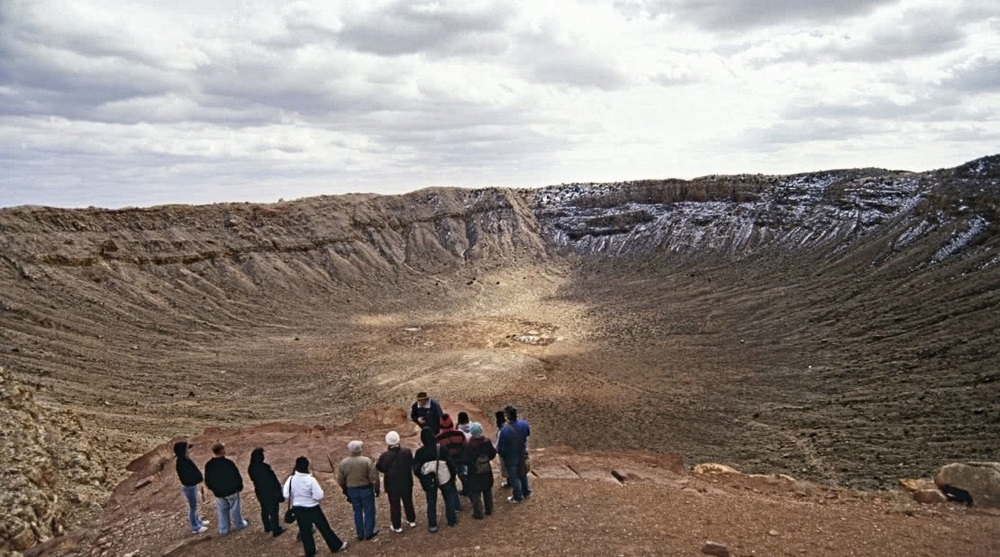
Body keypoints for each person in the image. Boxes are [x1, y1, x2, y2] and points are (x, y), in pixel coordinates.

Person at [284, 456, 348, 556]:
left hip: (298, 508)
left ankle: (310, 551)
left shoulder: (291, 479)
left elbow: (286, 494)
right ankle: (336, 546)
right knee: (324, 528)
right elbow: (319, 496)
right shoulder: (310, 480)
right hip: (312, 507)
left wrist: (296, 497)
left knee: (305, 532)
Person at [412, 426, 460, 532]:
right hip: (444, 477)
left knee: (431, 502)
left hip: (430, 481)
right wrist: (453, 476)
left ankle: (432, 525)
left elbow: (415, 469)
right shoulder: (441, 448)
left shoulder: (420, 453)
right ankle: (451, 520)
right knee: (448, 499)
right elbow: (450, 463)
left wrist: (423, 477)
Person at [336, 440, 380, 541]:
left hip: (352, 490)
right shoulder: (367, 461)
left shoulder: (344, 463)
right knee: (369, 510)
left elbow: (340, 479)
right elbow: (374, 477)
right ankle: (370, 531)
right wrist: (377, 488)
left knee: (357, 511)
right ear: (360, 449)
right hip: (366, 489)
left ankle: (360, 533)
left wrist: (345, 490)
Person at [375, 430, 417, 533]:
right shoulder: (407, 451)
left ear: (387, 441)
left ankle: (397, 525)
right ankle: (411, 520)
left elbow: (380, 468)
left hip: (392, 484)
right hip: (406, 481)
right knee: (408, 501)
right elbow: (412, 464)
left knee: (394, 504)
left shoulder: (385, 456)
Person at [204, 442, 249, 535]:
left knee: (222, 510)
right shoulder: (228, 463)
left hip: (218, 493)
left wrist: (212, 488)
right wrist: (240, 486)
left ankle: (224, 530)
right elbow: (236, 476)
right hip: (231, 491)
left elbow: (208, 479)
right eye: (223, 449)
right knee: (235, 508)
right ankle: (239, 524)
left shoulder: (209, 465)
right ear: (221, 451)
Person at [461, 422, 496, 519]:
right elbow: (493, 454)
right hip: (486, 469)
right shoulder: (487, 441)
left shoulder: (468, 445)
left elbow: (465, 460)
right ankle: (489, 509)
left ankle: (478, 513)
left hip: (474, 472)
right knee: (487, 490)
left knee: (475, 493)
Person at [497, 405, 532, 503]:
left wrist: (504, 456)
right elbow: (528, 433)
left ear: (507, 416)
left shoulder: (504, 430)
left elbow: (500, 448)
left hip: (511, 456)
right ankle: (527, 491)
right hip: (522, 453)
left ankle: (518, 496)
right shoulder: (524, 424)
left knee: (514, 477)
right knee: (523, 473)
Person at [173, 441, 209, 534]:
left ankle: (198, 522)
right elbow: (186, 478)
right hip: (189, 487)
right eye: (186, 449)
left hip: (192, 486)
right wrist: (197, 480)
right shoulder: (181, 463)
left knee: (194, 506)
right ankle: (195, 527)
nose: (188, 451)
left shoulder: (185, 460)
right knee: (192, 508)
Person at [247, 447, 284, 537]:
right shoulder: (265, 468)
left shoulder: (251, 468)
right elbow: (273, 481)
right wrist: (279, 492)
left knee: (264, 509)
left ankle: (267, 526)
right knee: (274, 511)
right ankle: (276, 529)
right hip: (270, 492)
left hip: (260, 491)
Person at [436, 413, 468, 501]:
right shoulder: (459, 434)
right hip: (460, 460)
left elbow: (439, 453)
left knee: (451, 481)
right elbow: (466, 446)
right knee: (463, 476)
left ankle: (456, 502)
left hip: (448, 463)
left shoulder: (438, 439)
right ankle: (467, 491)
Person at [495, 410, 509, 487]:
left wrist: (495, 450)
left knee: (506, 468)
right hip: (511, 450)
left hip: (504, 452)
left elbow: (498, 444)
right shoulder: (508, 426)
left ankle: (509, 483)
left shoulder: (501, 431)